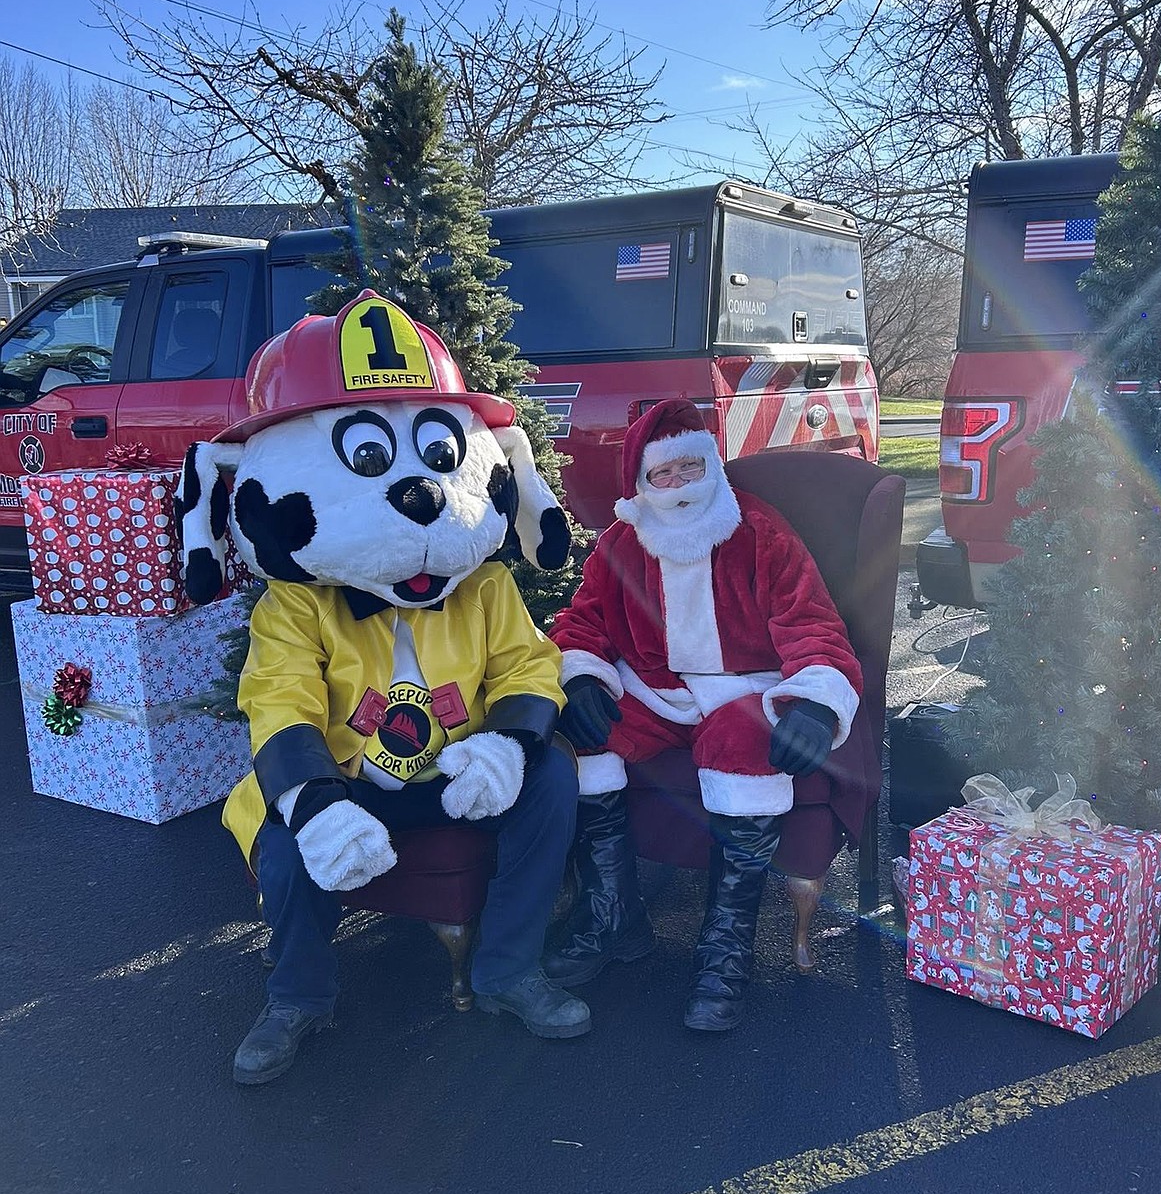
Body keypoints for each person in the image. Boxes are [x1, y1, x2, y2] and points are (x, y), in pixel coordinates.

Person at [176, 292, 590, 1084]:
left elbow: (528, 665)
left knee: (554, 775)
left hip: (460, 774)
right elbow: (279, 700)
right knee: (290, 833)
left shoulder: (485, 586)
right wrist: (315, 801)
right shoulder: (296, 601)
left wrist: (508, 743)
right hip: (348, 780)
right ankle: (297, 996)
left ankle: (507, 971)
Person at [546, 398, 863, 1031]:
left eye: (690, 469)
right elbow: (582, 621)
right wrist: (579, 675)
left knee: (741, 740)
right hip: (657, 690)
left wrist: (815, 704)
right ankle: (615, 918)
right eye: (662, 475)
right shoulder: (619, 542)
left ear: (712, 467)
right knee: (579, 737)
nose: (678, 486)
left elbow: (810, 622)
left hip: (741, 689)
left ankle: (725, 951)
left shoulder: (760, 532)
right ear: (639, 483)